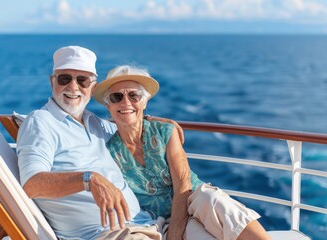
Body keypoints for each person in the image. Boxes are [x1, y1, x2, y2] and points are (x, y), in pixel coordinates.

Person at [92, 65, 272, 240]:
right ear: (108, 106)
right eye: (116, 97)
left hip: (193, 202)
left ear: (144, 101)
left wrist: (175, 234)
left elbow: (183, 186)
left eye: (134, 95)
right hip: (158, 220)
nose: (126, 102)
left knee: (212, 198)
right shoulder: (108, 150)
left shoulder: (165, 132)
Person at [17, 46, 170, 240]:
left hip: (147, 223)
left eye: (82, 80)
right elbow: (32, 185)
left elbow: (130, 127)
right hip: (107, 235)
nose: (73, 87)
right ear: (52, 81)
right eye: (65, 78)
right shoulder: (41, 122)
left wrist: (159, 123)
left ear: (93, 87)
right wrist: (89, 179)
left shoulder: (96, 124)